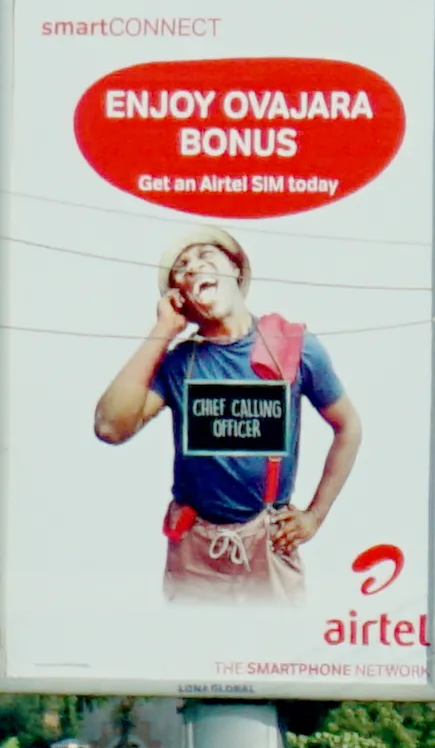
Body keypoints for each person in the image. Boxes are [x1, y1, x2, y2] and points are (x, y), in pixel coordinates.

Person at [92, 230, 362, 602]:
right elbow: (110, 426)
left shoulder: (294, 346)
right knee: (197, 656)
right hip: (194, 550)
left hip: (267, 544)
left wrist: (315, 515)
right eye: (181, 270)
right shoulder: (179, 363)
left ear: (235, 270)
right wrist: (163, 331)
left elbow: (348, 427)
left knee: (274, 657)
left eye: (205, 256)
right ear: (180, 297)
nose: (192, 268)